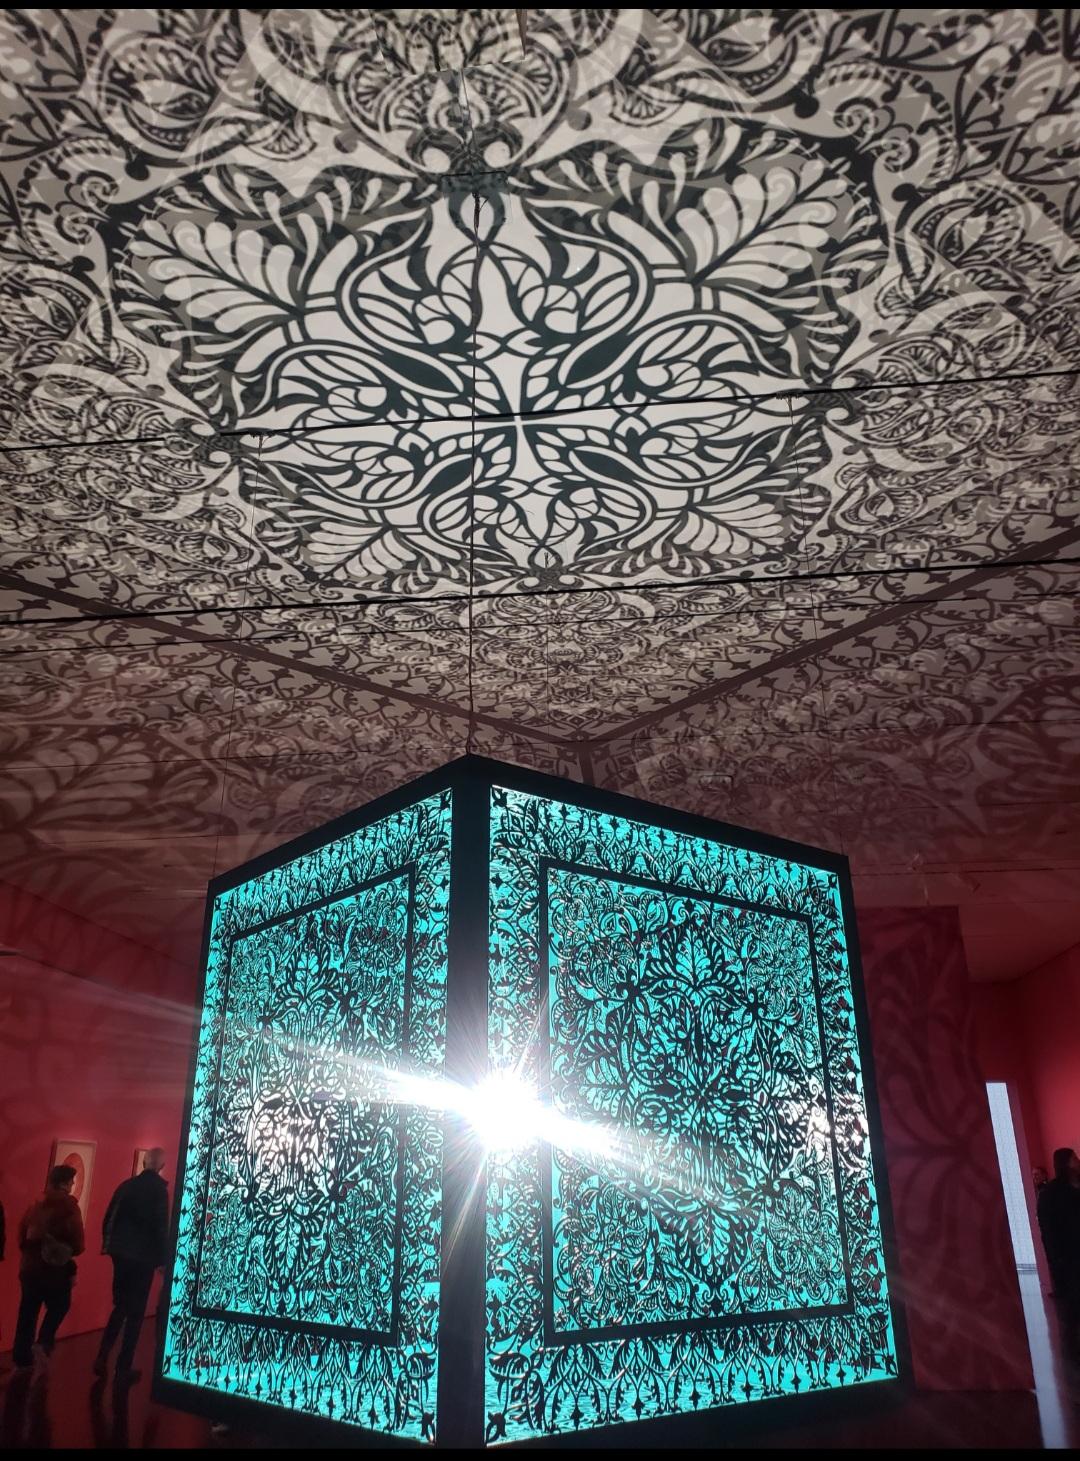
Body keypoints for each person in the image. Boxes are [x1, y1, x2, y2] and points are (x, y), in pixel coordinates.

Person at [94, 1148, 169, 1383]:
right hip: (143, 1258)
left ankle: (102, 1355)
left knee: (121, 1306)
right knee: (136, 1314)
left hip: (121, 1254)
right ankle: (123, 1367)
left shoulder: (126, 1186)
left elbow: (109, 1218)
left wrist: (111, 1247)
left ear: (145, 1162)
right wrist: (162, 1260)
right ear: (161, 1166)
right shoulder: (159, 1190)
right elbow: (161, 1227)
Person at [12, 1164, 85, 1369]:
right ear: (65, 1183)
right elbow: (78, 1243)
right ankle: (44, 1342)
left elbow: (21, 1235)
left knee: (27, 1312)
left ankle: (21, 1359)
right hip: (54, 1269)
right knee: (61, 1305)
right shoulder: (69, 1207)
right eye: (71, 1181)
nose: (72, 1185)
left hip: (29, 1268)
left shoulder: (37, 1205)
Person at [1037, 1147, 1080, 1355]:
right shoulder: (1051, 1194)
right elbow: (1048, 1229)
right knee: (1073, 1305)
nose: (1077, 1161)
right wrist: (1056, 1259)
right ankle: (1071, 1351)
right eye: (1074, 1158)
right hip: (1069, 1257)